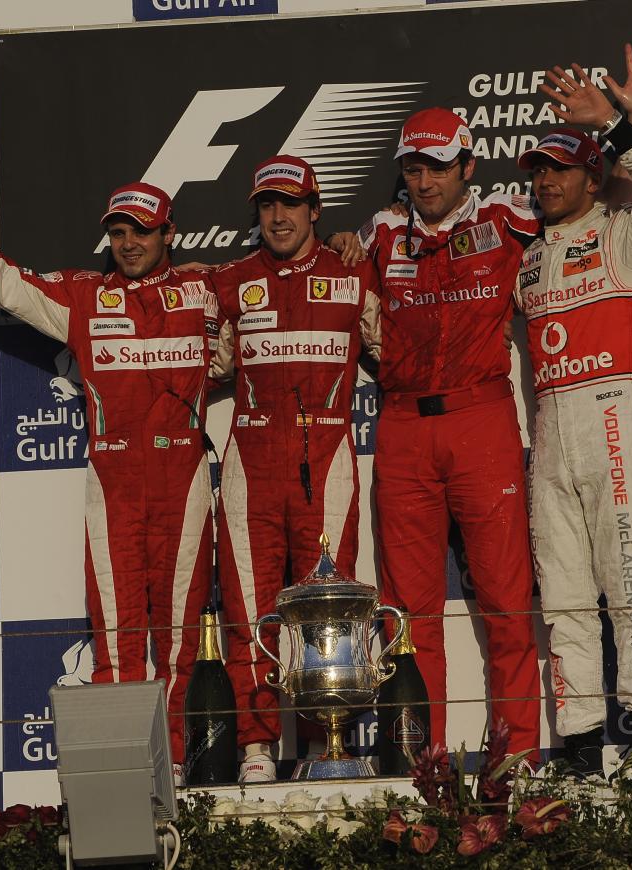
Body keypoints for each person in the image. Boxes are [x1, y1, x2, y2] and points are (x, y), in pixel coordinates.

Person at [0, 165, 220, 783]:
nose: (129, 243)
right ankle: (128, 776)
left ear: (169, 233)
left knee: (183, 641)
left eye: (142, 231)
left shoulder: (207, 290)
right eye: (117, 233)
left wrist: (347, 249)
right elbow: (1, 281)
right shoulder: (83, 296)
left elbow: (285, 297)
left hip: (183, 481)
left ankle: (184, 767)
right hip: (112, 483)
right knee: (114, 643)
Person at [515, 43, 632, 777]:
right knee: (562, 597)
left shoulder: (624, 236)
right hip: (550, 425)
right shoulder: (525, 253)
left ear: (593, 173)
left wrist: (624, 124)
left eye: (562, 167)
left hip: (613, 412)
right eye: (539, 170)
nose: (548, 180)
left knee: (628, 579)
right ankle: (581, 741)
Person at [351, 108, 542, 760]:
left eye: (437, 166)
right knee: (405, 615)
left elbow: (594, 221)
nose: (424, 180)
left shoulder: (508, 219)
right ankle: (416, 768)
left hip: (480, 419)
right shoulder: (378, 234)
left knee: (508, 602)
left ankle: (517, 764)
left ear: (468, 164)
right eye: (412, 166)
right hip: (402, 423)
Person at [209, 155, 381, 782]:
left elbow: (396, 351)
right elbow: (208, 365)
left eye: (290, 204)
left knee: (327, 605)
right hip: (251, 463)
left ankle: (322, 740)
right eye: (266, 206)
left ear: (315, 209)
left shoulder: (354, 273)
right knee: (249, 606)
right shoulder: (229, 283)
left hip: (327, 459)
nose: (278, 217)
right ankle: (256, 744)